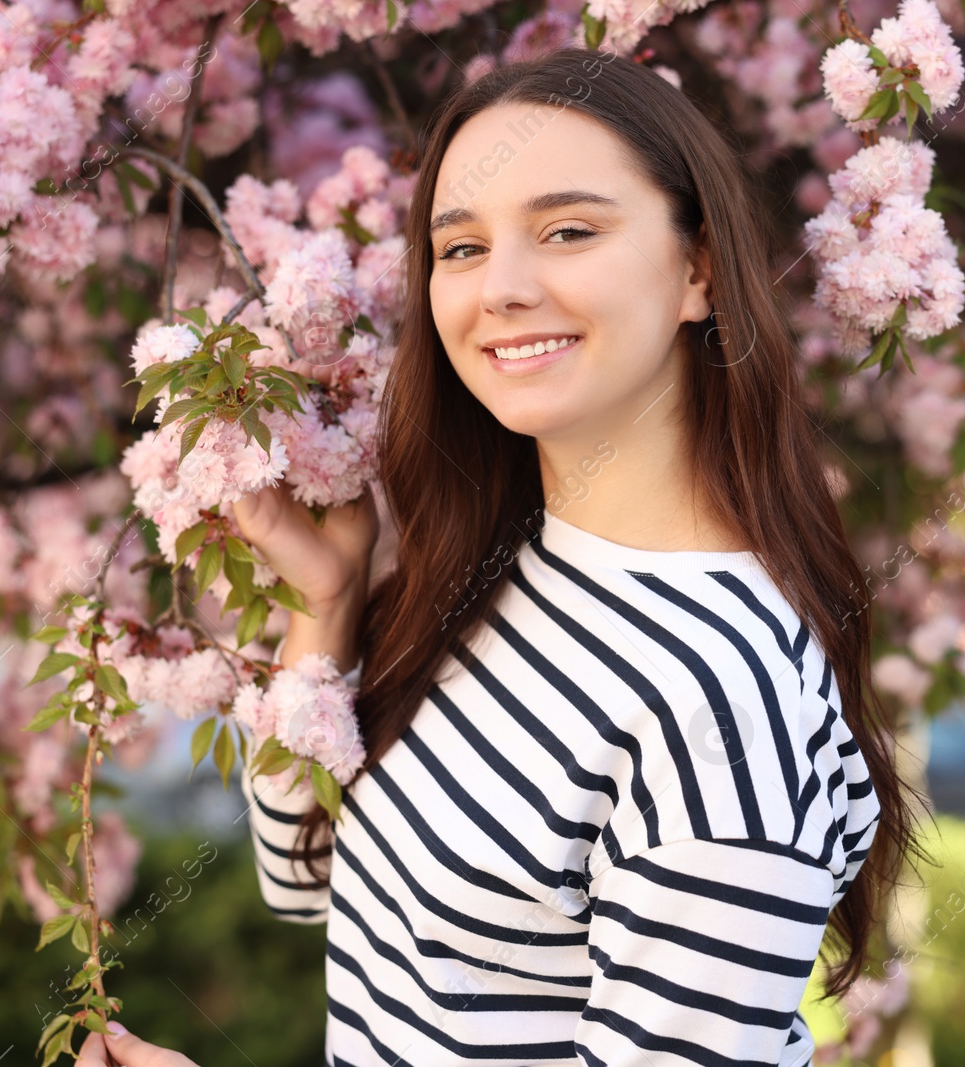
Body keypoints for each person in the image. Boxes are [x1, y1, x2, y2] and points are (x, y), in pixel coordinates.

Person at [80, 45, 921, 1067]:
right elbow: (310, 873)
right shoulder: (506, 562)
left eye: (568, 230)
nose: (504, 289)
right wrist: (330, 595)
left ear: (697, 268)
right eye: (463, 248)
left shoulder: (723, 702)